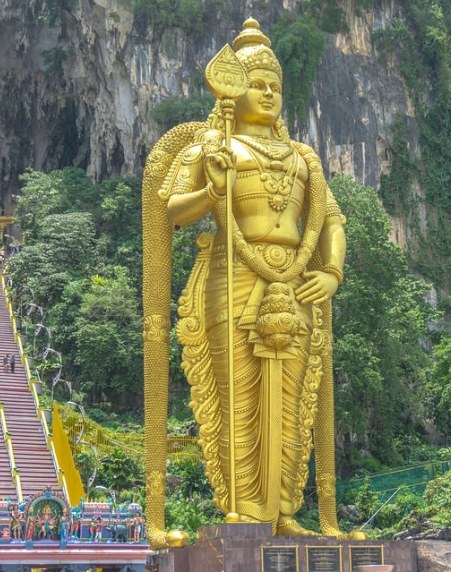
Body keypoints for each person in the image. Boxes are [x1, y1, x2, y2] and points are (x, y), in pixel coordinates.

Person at [142, 18, 359, 545]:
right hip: (232, 277)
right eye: (256, 84)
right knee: (235, 395)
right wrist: (212, 192)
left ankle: (285, 510)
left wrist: (331, 272)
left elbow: (330, 221)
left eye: (274, 87)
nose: (267, 93)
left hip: (297, 281)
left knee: (292, 402)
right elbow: (170, 210)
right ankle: (241, 509)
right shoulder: (213, 146)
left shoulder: (303, 157)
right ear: (233, 91)